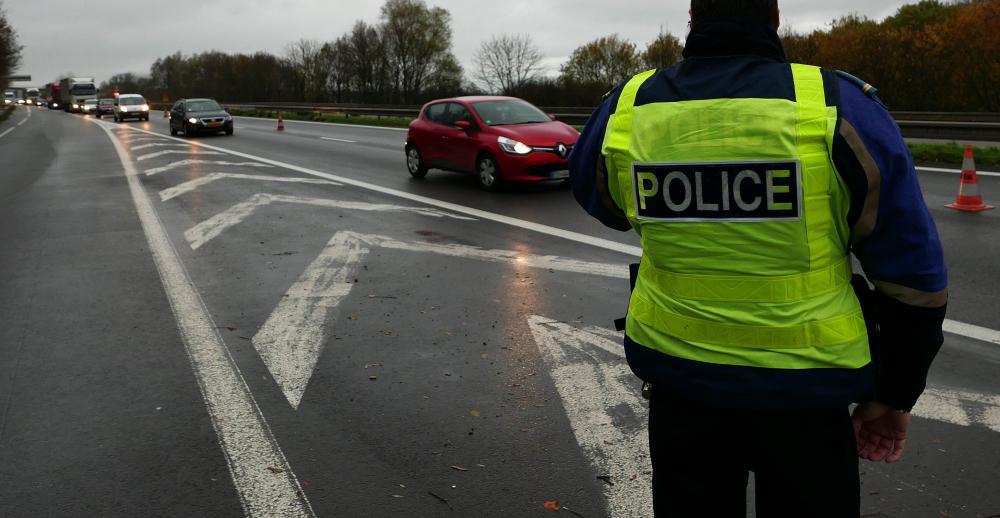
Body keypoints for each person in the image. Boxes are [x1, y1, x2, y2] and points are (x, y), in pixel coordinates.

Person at [568, 0, 948, 516]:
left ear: (692, 21)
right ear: (774, 22)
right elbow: (913, 277)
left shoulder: (629, 105)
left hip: (682, 390)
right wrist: (895, 392)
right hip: (809, 400)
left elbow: (604, 202)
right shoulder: (835, 102)